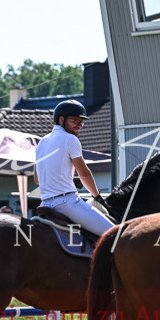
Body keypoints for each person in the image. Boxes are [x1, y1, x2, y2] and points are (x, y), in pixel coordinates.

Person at [34, 99, 113, 237]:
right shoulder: (70, 139)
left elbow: (37, 180)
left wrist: (65, 179)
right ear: (61, 119)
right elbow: (84, 175)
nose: (79, 125)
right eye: (75, 120)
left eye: (81, 121)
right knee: (115, 234)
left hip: (45, 205)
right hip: (67, 204)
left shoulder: (42, 142)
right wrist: (97, 197)